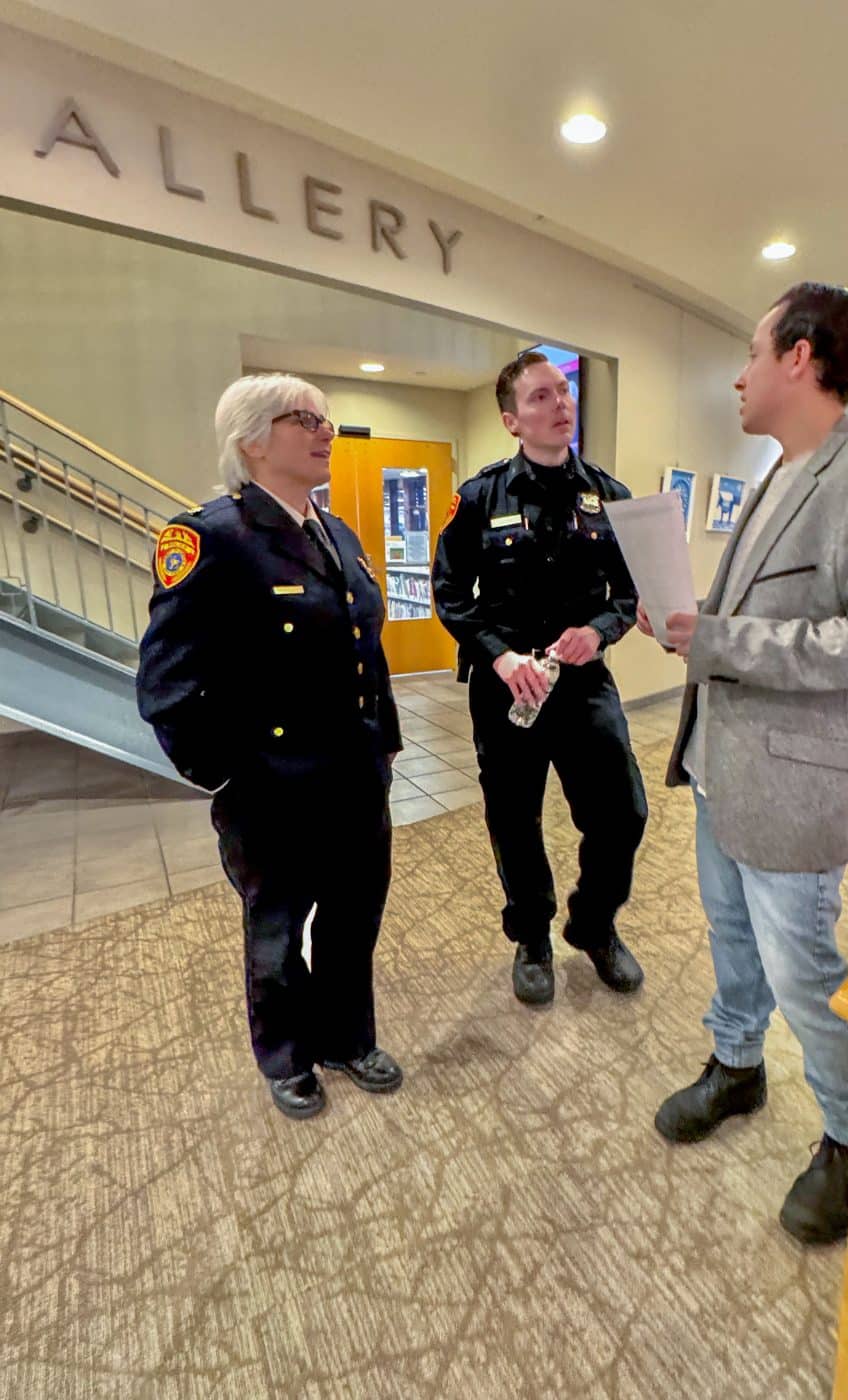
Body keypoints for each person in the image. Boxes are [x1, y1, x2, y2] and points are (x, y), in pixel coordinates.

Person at [642, 284, 848, 1244]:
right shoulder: (779, 474)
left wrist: (723, 640)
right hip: (729, 760)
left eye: (753, 351)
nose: (739, 373)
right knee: (732, 937)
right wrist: (695, 634)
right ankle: (737, 1063)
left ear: (801, 358)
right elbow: (756, 623)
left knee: (801, 964)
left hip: (802, 776)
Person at [137, 373, 403, 1120]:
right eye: (304, 419)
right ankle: (286, 1056)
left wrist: (383, 744)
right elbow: (167, 679)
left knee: (354, 916)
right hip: (273, 783)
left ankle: (349, 1037)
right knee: (279, 929)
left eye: (327, 418)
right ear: (252, 440)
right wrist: (224, 774)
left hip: (354, 773)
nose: (326, 431)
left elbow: (365, 650)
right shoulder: (211, 537)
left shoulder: (337, 530)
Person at [432, 351, 648, 1006]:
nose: (560, 404)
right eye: (541, 397)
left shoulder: (611, 497)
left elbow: (633, 593)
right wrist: (499, 654)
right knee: (514, 818)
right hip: (507, 686)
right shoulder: (478, 497)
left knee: (623, 813)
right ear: (511, 420)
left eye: (563, 392)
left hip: (581, 684)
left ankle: (593, 923)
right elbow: (450, 593)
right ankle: (532, 936)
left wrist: (601, 630)